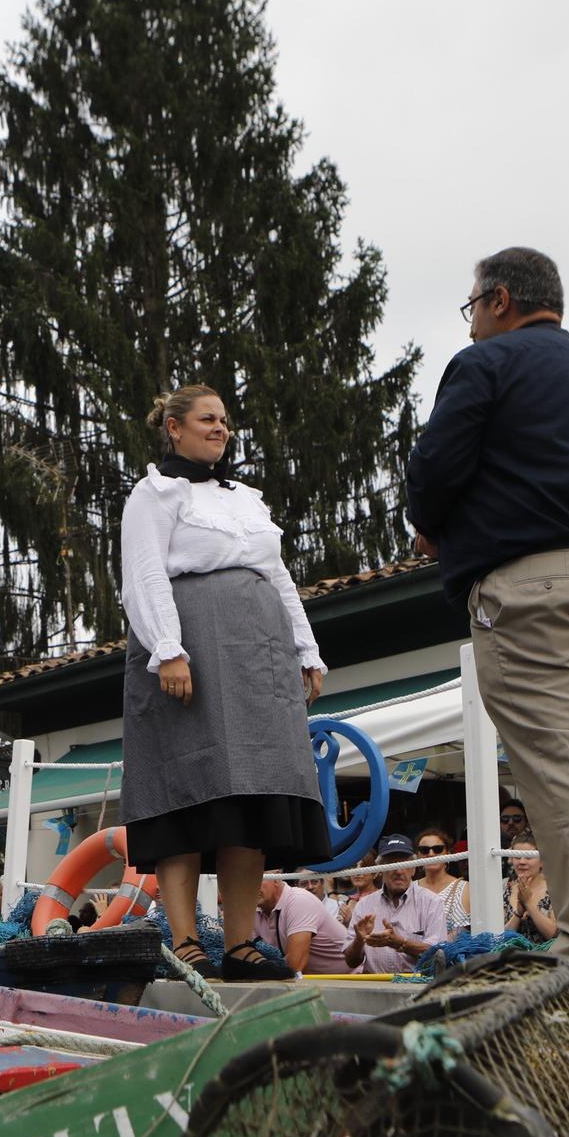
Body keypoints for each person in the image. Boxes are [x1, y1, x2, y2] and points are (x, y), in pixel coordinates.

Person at [405, 246, 569, 983]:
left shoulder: (486, 365)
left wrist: (433, 519)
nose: (470, 327)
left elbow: (434, 468)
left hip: (531, 584)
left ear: (497, 299)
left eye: (471, 310)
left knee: (565, 765)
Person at [117, 384, 330, 983]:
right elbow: (144, 575)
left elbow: (278, 575)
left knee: (254, 797)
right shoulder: (154, 493)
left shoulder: (247, 500)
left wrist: (305, 648)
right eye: (208, 419)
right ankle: (185, 941)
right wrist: (167, 648)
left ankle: (240, 945)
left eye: (226, 421)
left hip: (257, 660)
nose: (221, 429)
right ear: (175, 429)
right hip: (191, 653)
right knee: (187, 789)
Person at [343, 836, 447, 974]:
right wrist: (359, 940)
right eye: (392, 864)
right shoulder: (364, 905)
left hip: (417, 987)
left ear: (414, 869)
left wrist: (401, 943)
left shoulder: (432, 902)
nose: (398, 871)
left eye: (404, 864)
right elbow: (351, 962)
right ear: (381, 869)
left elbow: (438, 955)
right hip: (375, 988)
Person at [253, 877, 353, 975]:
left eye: (257, 878)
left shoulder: (299, 899)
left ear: (276, 877)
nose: (250, 886)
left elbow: (295, 965)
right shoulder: (253, 907)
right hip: (310, 983)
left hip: (351, 981)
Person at [412, 826, 469, 935]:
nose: (431, 854)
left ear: (448, 853)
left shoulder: (465, 888)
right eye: (424, 850)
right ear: (418, 855)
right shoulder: (409, 889)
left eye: (438, 849)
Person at [501, 833, 558, 941]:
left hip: (545, 956)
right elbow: (497, 941)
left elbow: (554, 936)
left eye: (529, 857)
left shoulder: (555, 889)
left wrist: (528, 904)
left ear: (542, 861)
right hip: (508, 956)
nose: (522, 862)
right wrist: (518, 913)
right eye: (517, 857)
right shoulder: (503, 888)